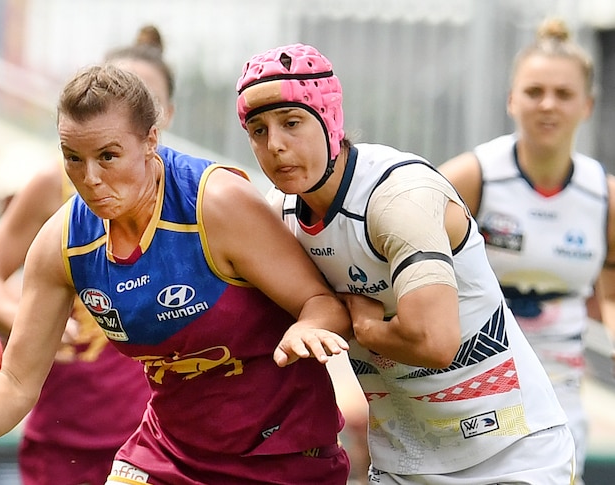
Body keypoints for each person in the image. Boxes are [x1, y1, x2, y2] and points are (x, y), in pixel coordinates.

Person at [0, 63, 353, 484]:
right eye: (73, 158)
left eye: (108, 156)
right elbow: (15, 381)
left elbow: (322, 304)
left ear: (151, 140)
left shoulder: (215, 205)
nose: (90, 179)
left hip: (281, 456)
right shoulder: (64, 243)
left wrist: (309, 326)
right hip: (169, 455)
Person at [236, 43, 575, 484]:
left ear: (330, 120)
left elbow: (436, 342)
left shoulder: (397, 195)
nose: (275, 145)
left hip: (513, 451)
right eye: (258, 131)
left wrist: (366, 328)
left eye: (292, 122)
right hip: (406, 463)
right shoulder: (279, 214)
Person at [0, 27, 175, 485]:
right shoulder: (56, 188)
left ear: (158, 124)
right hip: (61, 436)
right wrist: (35, 323)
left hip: (156, 442)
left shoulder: (193, 202)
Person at [438, 18, 615, 484]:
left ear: (588, 106)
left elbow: (610, 298)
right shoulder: (472, 177)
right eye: (534, 91)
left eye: (563, 93)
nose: (548, 105)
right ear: (512, 100)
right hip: (474, 375)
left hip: (560, 382)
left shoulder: (605, 197)